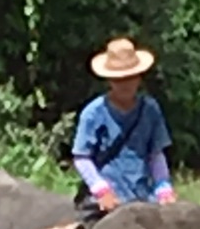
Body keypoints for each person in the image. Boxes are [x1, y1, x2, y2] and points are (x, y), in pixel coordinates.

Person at [71, 36, 176, 215]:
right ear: (109, 80)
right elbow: (81, 157)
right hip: (107, 201)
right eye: (119, 79)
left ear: (139, 77)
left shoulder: (150, 109)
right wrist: (100, 189)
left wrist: (163, 186)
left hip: (144, 197)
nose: (125, 84)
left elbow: (156, 153)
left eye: (130, 77)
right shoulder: (93, 113)